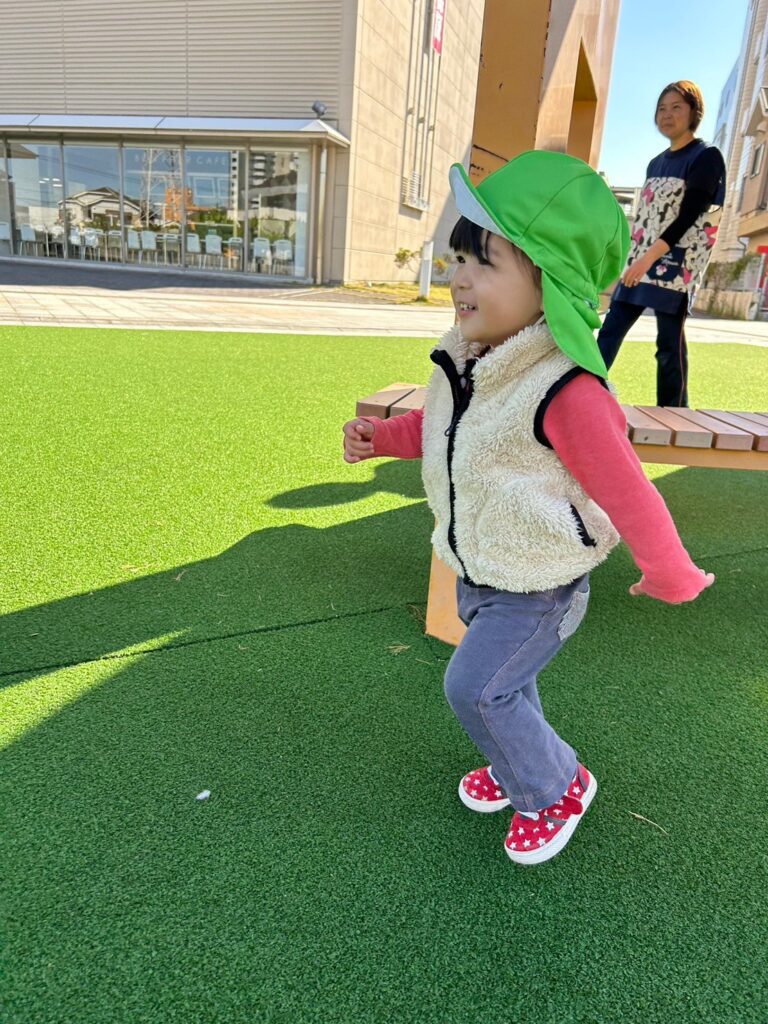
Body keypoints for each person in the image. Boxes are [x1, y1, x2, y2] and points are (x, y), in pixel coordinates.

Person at [342, 151, 714, 866]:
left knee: (477, 688)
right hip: (482, 565)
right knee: (506, 682)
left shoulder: (568, 391)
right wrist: (383, 438)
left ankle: (554, 786)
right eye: (458, 259)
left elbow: (629, 489)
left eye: (483, 262)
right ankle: (518, 760)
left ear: (550, 281)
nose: (459, 277)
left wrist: (670, 570)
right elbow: (445, 426)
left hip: (540, 580)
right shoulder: (474, 357)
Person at [597, 80, 726, 407]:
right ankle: (584, 395)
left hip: (675, 266)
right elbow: (646, 220)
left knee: (668, 345)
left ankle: (674, 415)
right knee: (610, 330)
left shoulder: (706, 157)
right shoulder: (656, 163)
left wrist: (648, 260)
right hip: (639, 262)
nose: (667, 115)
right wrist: (634, 259)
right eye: (661, 108)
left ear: (694, 112)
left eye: (676, 107)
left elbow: (689, 216)